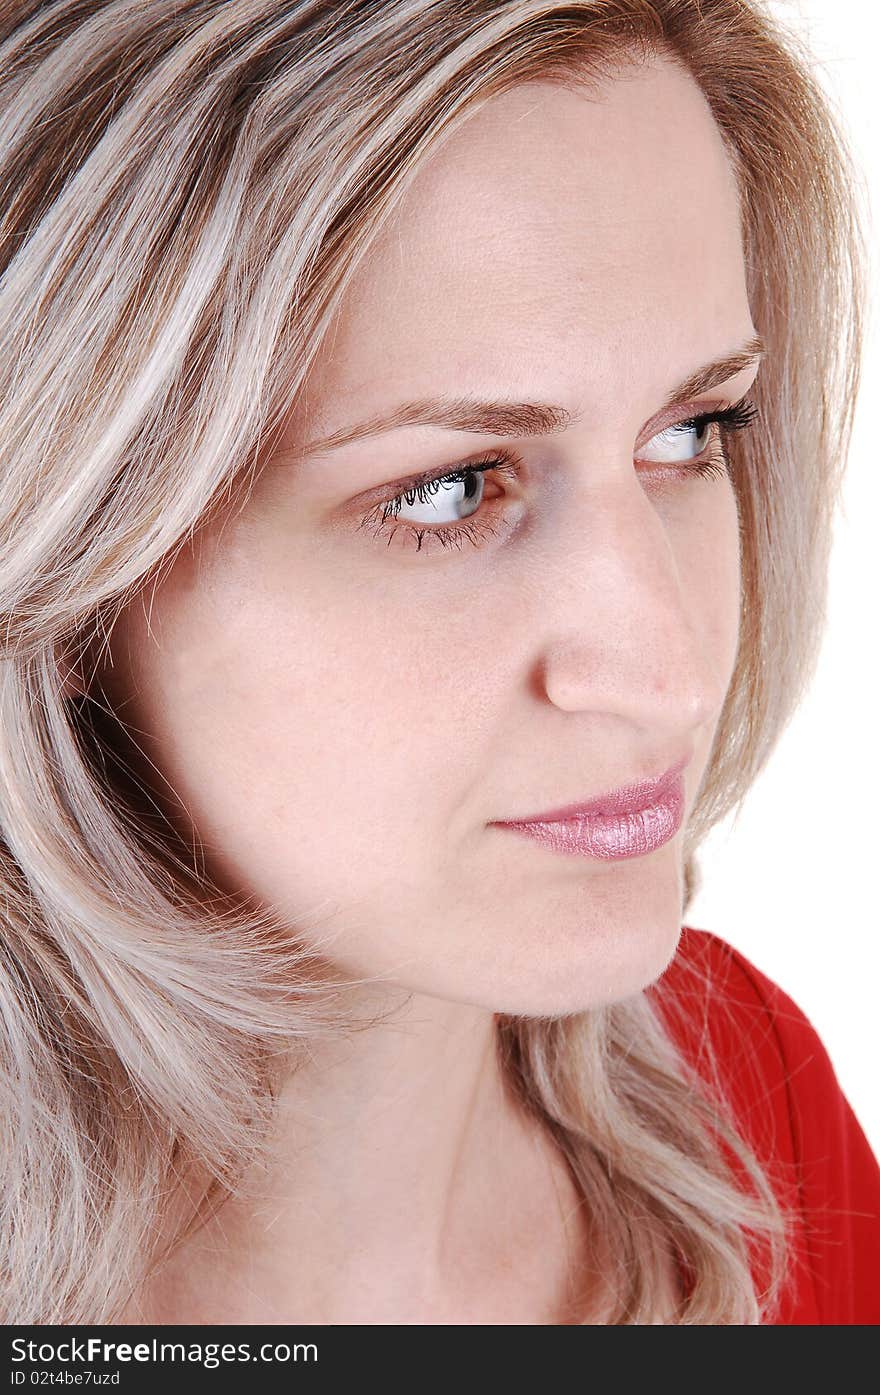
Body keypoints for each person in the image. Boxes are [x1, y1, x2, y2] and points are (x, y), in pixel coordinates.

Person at [0, 0, 876, 1326]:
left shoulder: (751, 1103)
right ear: (73, 575)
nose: (669, 672)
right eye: (451, 487)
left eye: (693, 433)